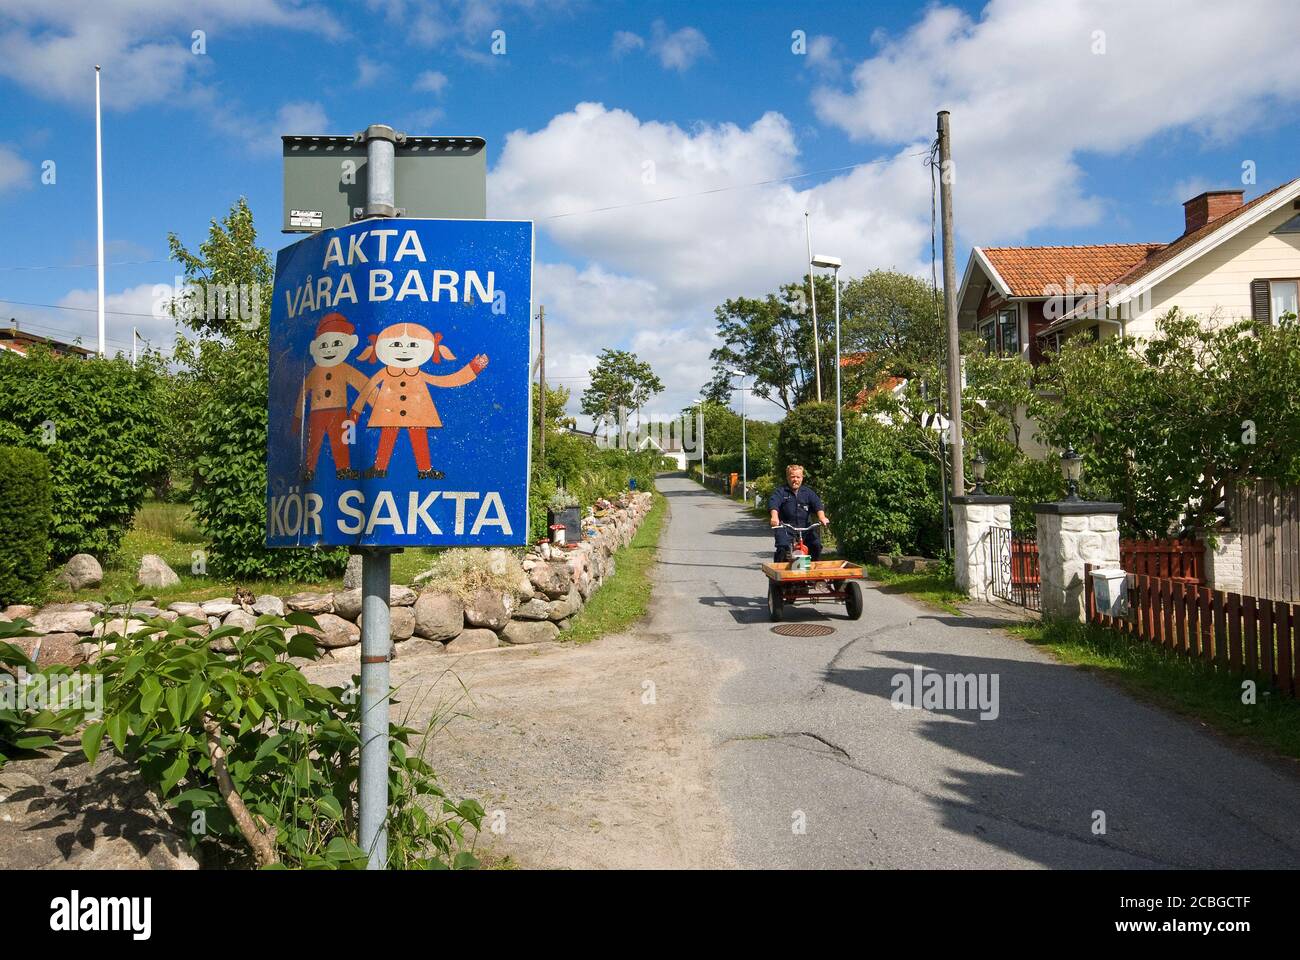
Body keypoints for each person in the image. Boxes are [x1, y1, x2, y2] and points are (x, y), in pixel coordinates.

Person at [768, 464, 831, 563]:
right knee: (782, 547)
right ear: (788, 477)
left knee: (816, 545)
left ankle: (813, 571)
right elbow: (774, 503)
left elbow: (817, 504)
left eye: (798, 477)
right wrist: (774, 517)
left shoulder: (807, 492)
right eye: (792, 477)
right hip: (785, 527)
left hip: (805, 528)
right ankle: (778, 573)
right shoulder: (781, 492)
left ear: (802, 478)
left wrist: (822, 517)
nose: (795, 480)